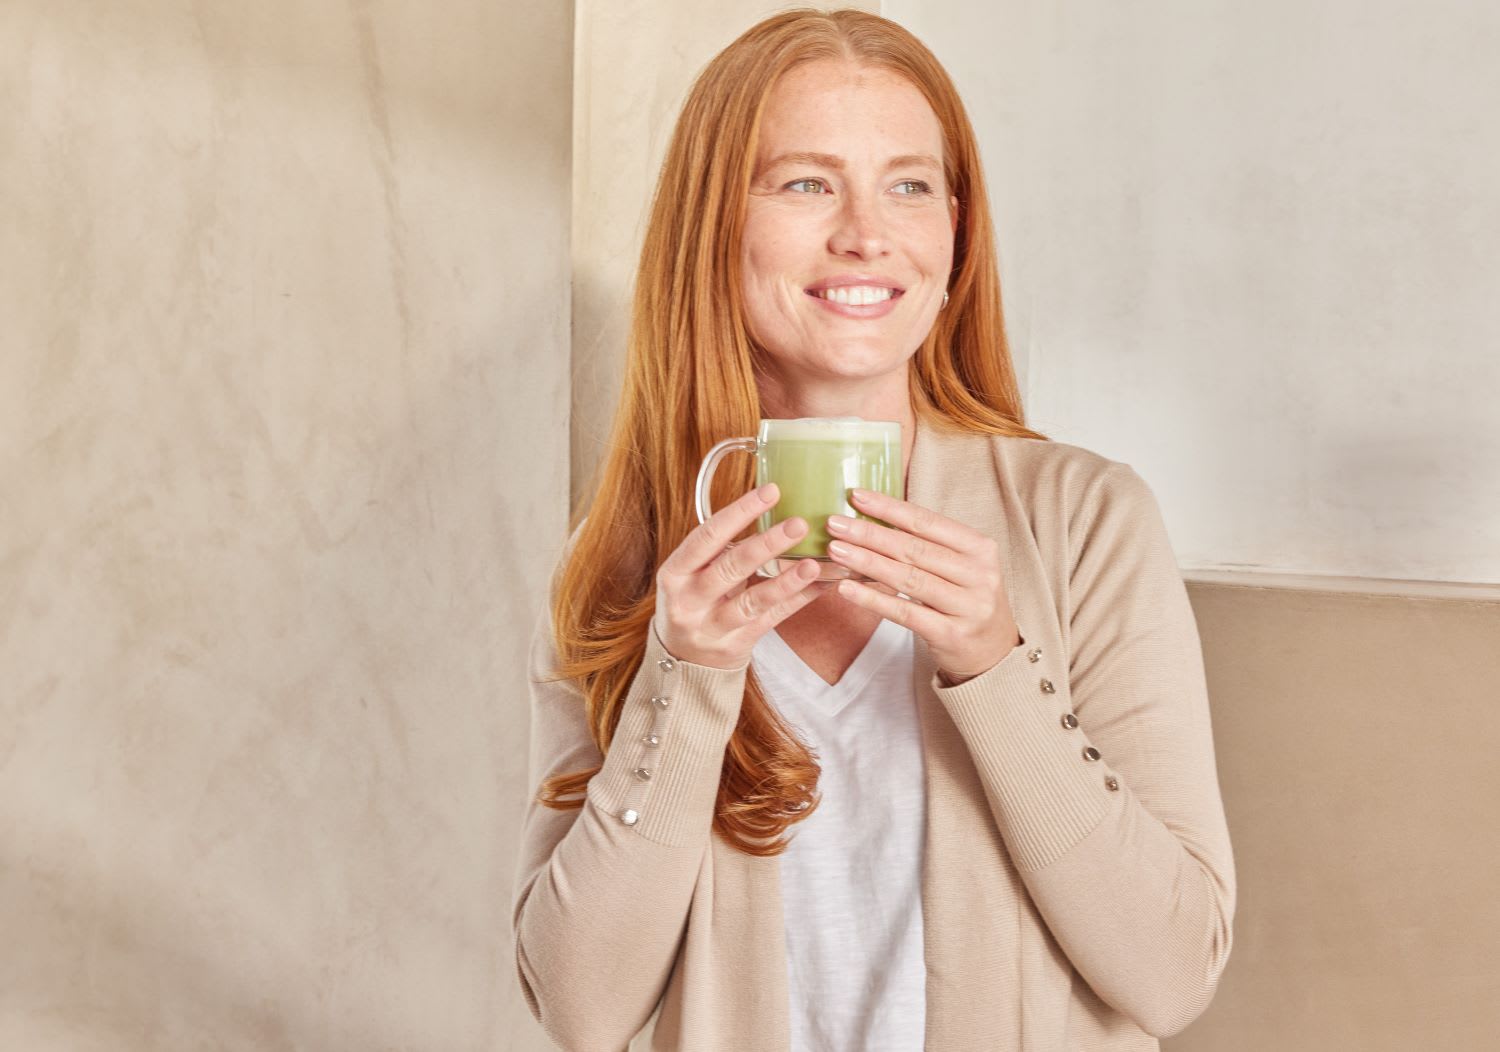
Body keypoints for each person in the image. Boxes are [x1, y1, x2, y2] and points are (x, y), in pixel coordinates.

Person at [512, 8, 1235, 1051]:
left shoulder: (1086, 521)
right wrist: (687, 675)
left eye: (909, 185)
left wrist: (996, 668)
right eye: (806, 183)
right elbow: (581, 1008)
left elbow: (1171, 974)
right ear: (714, 225)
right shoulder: (628, 560)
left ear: (955, 232)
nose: (866, 232)